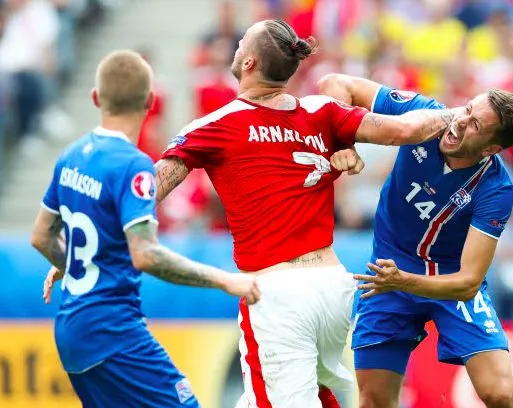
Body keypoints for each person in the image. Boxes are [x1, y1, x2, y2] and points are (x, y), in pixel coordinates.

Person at [154, 19, 462, 408]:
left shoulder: (216, 124)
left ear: (248, 62)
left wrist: (100, 237)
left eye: (240, 45)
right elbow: (402, 130)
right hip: (331, 287)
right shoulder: (322, 111)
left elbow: (150, 190)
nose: (234, 49)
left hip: (277, 293)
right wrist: (461, 113)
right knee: (288, 397)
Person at [31, 50, 261, 408]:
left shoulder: (72, 155)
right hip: (113, 330)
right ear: (150, 101)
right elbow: (146, 253)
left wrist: (72, 264)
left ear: (95, 98)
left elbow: (42, 235)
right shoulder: (133, 165)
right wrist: (225, 280)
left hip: (71, 328)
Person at [319, 73, 513, 408]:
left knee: (500, 396)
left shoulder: (496, 188)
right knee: (374, 400)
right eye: (466, 109)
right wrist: (343, 144)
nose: (460, 122)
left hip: (445, 281)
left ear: (492, 149)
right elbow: (335, 84)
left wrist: (405, 281)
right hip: (389, 272)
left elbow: (467, 283)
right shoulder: (424, 114)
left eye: (475, 124)